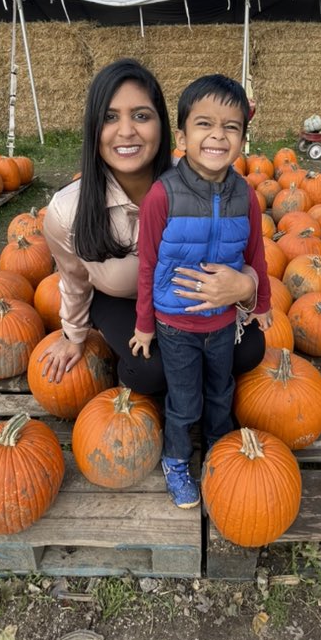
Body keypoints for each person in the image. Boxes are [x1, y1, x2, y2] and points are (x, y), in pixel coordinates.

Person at [38, 58, 266, 397]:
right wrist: (73, 335)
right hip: (121, 299)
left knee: (249, 349)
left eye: (141, 116)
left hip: (182, 294)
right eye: (110, 117)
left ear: (164, 125)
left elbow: (232, 240)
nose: (127, 131)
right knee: (152, 372)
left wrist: (247, 287)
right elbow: (73, 278)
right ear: (93, 128)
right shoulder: (67, 209)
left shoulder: (200, 178)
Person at [130, 75, 272, 509]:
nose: (217, 135)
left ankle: (218, 453)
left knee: (220, 393)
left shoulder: (244, 196)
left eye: (231, 127)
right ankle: (176, 460)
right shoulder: (162, 196)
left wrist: (260, 303)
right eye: (204, 124)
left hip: (223, 321)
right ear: (182, 135)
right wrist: (145, 325)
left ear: (243, 138)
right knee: (184, 400)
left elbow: (256, 252)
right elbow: (148, 264)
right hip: (176, 326)